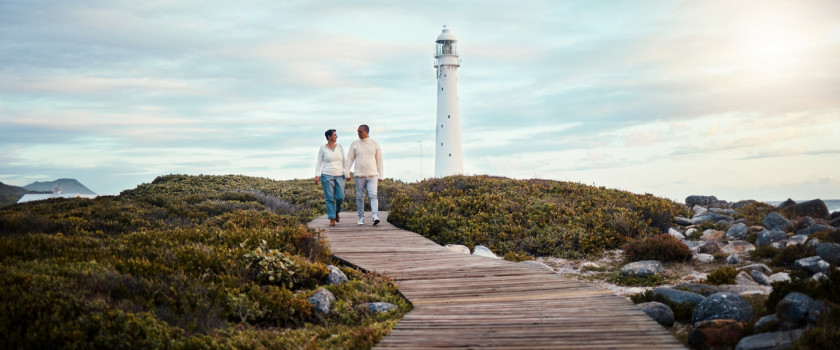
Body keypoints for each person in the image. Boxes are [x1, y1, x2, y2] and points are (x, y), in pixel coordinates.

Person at [344, 124, 384, 225]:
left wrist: (381, 175)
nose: (358, 133)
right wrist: (347, 173)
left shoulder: (375, 144)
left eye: (360, 131)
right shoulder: (354, 144)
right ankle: (361, 218)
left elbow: (379, 160)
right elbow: (349, 159)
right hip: (359, 176)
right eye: (357, 131)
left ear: (366, 132)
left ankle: (375, 216)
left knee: (373, 195)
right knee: (359, 197)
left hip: (373, 175)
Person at [315, 129, 346, 226]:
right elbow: (319, 162)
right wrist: (317, 175)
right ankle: (332, 218)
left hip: (339, 174)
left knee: (340, 196)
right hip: (326, 175)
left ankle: (336, 211)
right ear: (329, 137)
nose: (336, 137)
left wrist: (347, 173)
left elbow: (344, 161)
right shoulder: (323, 148)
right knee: (329, 198)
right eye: (334, 135)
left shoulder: (340, 147)